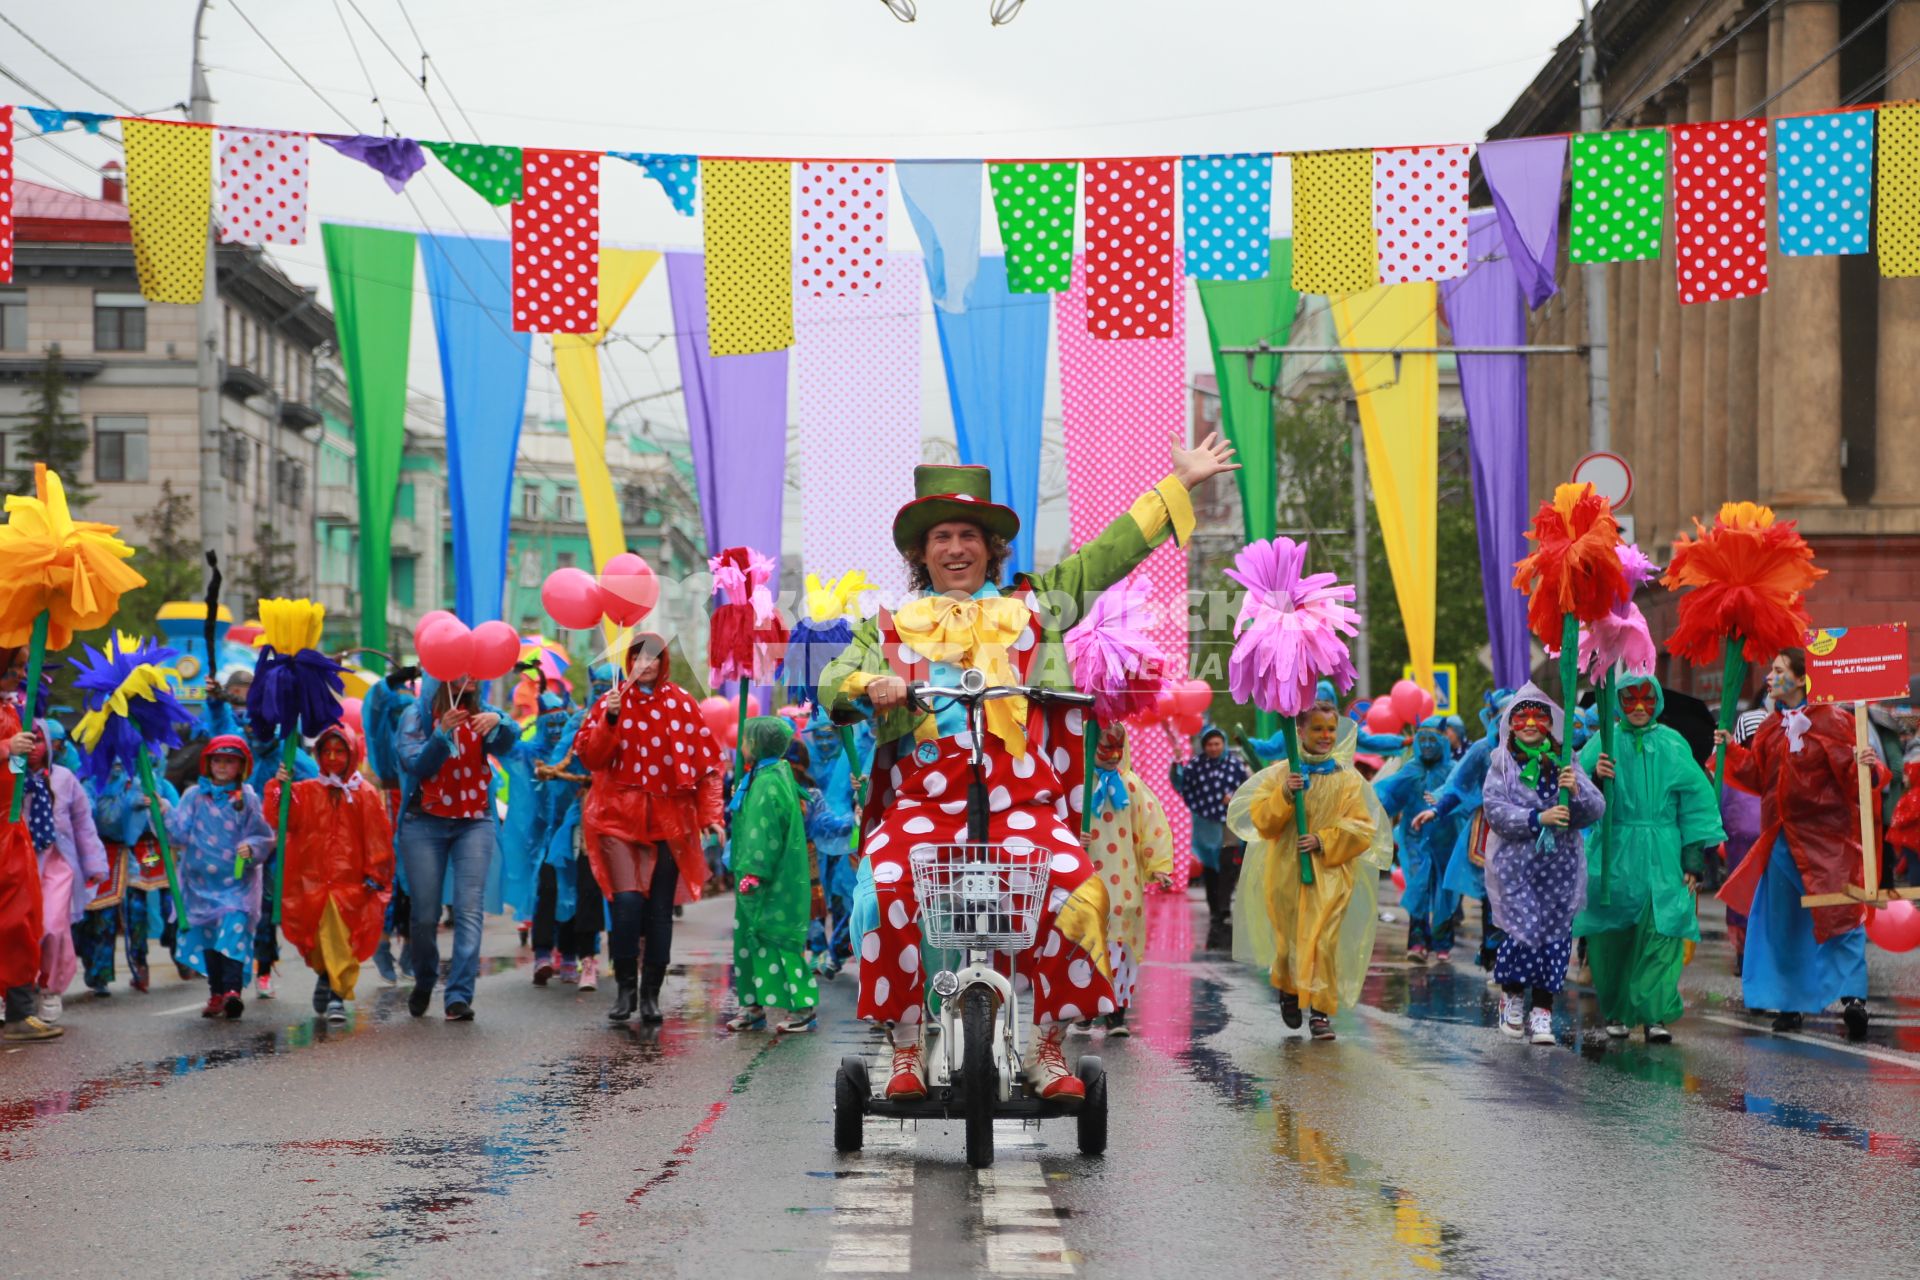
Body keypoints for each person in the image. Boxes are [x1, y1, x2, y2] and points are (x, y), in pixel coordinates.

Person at [820, 438, 1238, 1101]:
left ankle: (1047, 1047)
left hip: (1023, 800)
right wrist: (872, 682)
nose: (955, 548)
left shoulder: (1036, 607)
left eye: (968, 536)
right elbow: (832, 680)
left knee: (1080, 891)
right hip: (926, 802)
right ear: (921, 554)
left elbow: (1106, 555)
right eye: (941, 538)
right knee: (883, 890)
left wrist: (1177, 485)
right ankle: (905, 1049)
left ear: (990, 547)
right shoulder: (892, 625)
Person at [1717, 648, 1883, 1040]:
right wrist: (1728, 750)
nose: (1770, 678)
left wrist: (1864, 764)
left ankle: (1852, 999)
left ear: (1800, 677)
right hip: (1781, 842)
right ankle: (1789, 1005)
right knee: (1785, 924)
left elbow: (1858, 779)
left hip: (1829, 844)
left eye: (1778, 670)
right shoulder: (1770, 729)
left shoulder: (1833, 721)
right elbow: (1758, 777)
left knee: (1842, 916)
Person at [573, 632, 725, 1025]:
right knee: (626, 906)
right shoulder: (611, 701)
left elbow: (708, 765)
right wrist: (609, 718)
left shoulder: (681, 703)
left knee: (659, 912)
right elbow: (591, 757)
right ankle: (625, 989)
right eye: (639, 657)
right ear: (629, 660)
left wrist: (711, 816)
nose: (647, 664)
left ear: (664, 662)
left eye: (654, 658)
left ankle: (651, 994)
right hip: (617, 821)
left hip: (668, 823)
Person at [1572, 675, 1724, 1042]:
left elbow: (1695, 803)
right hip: (1616, 853)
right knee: (1614, 937)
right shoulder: (1602, 744)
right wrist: (1596, 776)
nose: (1639, 708)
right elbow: (1576, 798)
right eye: (1629, 700)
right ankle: (1620, 1011)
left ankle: (1653, 1012)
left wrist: (1693, 858)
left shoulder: (1673, 744)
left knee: (1662, 932)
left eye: (1645, 699)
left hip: (1664, 853)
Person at [1228, 701, 1384, 1040]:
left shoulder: (1348, 780)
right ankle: (1289, 989)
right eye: (1317, 728)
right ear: (1300, 731)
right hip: (1285, 872)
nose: (1326, 736)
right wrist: (1285, 794)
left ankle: (1321, 1012)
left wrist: (1324, 840)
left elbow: (1362, 828)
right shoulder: (1283, 773)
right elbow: (1262, 822)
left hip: (1330, 874)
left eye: (1331, 729)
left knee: (1324, 941)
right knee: (1289, 944)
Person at [1480, 685, 1605, 1046]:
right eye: (1522, 716)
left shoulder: (1568, 761)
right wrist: (1538, 818)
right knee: (1521, 934)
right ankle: (1514, 998)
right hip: (1516, 868)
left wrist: (1577, 787)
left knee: (1553, 937)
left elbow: (1593, 811)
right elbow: (1496, 812)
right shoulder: (1500, 764)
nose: (1531, 723)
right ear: (1511, 724)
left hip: (1560, 868)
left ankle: (1544, 1009)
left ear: (1552, 724)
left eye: (1539, 716)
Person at [394, 677, 519, 1021]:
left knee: (468, 910)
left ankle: (459, 995)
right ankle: (424, 977)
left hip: (473, 822)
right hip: (424, 823)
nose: (468, 679)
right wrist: (440, 734)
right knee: (424, 915)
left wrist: (502, 723)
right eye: (459, 671)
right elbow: (414, 764)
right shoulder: (415, 716)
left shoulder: (483, 713)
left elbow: (510, 742)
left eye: (473, 673)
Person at [266, 725, 394, 1023]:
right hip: (312, 882)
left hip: (350, 885)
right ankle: (325, 975)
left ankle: (338, 993)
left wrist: (376, 871)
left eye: (339, 751)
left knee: (342, 939)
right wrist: (279, 786)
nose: (333, 758)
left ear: (351, 754)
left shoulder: (364, 794)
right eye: (327, 752)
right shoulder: (308, 791)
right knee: (318, 939)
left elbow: (377, 836)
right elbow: (280, 816)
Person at [202, 671, 318, 1001]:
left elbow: (312, 791)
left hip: (274, 847)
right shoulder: (240, 749)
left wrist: (290, 785)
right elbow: (220, 729)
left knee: (266, 909)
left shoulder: (288, 751)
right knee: (233, 908)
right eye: (253, 725)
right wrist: (214, 699)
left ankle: (264, 967)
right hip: (237, 845)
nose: (256, 730)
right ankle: (230, 978)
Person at [164, 736, 275, 1019]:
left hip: (237, 887)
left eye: (229, 761)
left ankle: (232, 992)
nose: (222, 766)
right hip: (199, 889)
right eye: (217, 760)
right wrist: (163, 810)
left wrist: (251, 847)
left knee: (233, 935)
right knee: (210, 942)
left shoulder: (248, 798)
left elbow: (262, 835)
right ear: (208, 763)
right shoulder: (193, 797)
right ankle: (216, 993)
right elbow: (177, 833)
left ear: (241, 766)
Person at [726, 716, 819, 1033]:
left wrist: (754, 871)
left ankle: (802, 1006)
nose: (741, 746)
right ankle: (752, 1006)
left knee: (780, 939)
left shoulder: (768, 781)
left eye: (745, 739)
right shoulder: (763, 775)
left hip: (767, 879)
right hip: (756, 877)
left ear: (758, 744)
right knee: (749, 940)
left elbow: (762, 834)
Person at [1413, 688, 1516, 974]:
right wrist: (1436, 811)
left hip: (1527, 828)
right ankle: (1493, 954)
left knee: (1522, 893)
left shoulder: (1539, 746)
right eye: (1504, 715)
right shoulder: (1483, 749)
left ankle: (1520, 958)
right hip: (1490, 828)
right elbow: (1459, 786)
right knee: (1492, 893)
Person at [1082, 721, 1174, 1034]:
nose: (1113, 755)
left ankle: (1117, 1008)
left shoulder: (1131, 785)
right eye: (1105, 747)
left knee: (1119, 941)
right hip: (1085, 880)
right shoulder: (1078, 786)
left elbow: (1152, 826)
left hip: (1122, 880)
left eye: (1118, 748)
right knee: (1084, 938)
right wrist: (1070, 839)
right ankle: (1085, 1003)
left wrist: (1160, 865)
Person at [23, 722, 107, 1023]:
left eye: (38, 741)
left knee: (53, 927)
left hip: (57, 865)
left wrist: (94, 864)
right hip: (18, 863)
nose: (32, 747)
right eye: (26, 740)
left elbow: (83, 825)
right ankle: (12, 990)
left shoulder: (65, 779)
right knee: (15, 929)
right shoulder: (10, 776)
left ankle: (49, 989)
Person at [76, 760, 179, 995]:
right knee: (101, 917)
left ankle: (159, 957)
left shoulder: (151, 782)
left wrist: (157, 806)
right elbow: (94, 817)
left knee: (148, 908)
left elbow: (178, 818)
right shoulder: (89, 783)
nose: (117, 764)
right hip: (99, 853)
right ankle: (100, 972)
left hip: (143, 853)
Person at [1374, 716, 1460, 964]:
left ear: (1443, 741)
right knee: (1419, 887)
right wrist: (1374, 811)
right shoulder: (1411, 769)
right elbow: (1391, 797)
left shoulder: (1453, 770)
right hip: (1414, 840)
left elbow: (1463, 794)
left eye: (1434, 739)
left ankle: (1443, 942)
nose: (1428, 745)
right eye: (1423, 739)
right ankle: (1418, 942)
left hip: (1446, 839)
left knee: (1444, 890)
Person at [363, 664, 419, 984]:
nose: (403, 719)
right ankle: (382, 945)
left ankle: (411, 949)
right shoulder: (382, 736)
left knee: (418, 881)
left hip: (418, 806)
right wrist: (389, 684)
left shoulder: (419, 721)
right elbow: (375, 709)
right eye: (396, 712)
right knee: (387, 881)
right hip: (388, 806)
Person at [1170, 724, 1249, 945]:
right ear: (1204, 746)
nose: (1213, 748)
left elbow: (1246, 789)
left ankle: (1224, 907)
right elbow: (1181, 783)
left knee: (1228, 864)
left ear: (1223, 744)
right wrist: (1176, 764)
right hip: (1205, 823)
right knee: (1210, 868)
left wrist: (1234, 799)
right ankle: (1215, 908)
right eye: (1209, 744)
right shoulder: (1196, 766)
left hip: (1229, 822)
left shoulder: (1234, 765)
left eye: (1217, 744)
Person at [802, 719, 863, 979]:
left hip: (846, 837)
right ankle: (817, 948)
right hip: (813, 840)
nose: (825, 742)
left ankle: (837, 951)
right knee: (814, 896)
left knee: (845, 897)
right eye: (820, 737)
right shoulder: (806, 760)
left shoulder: (852, 756)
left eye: (830, 736)